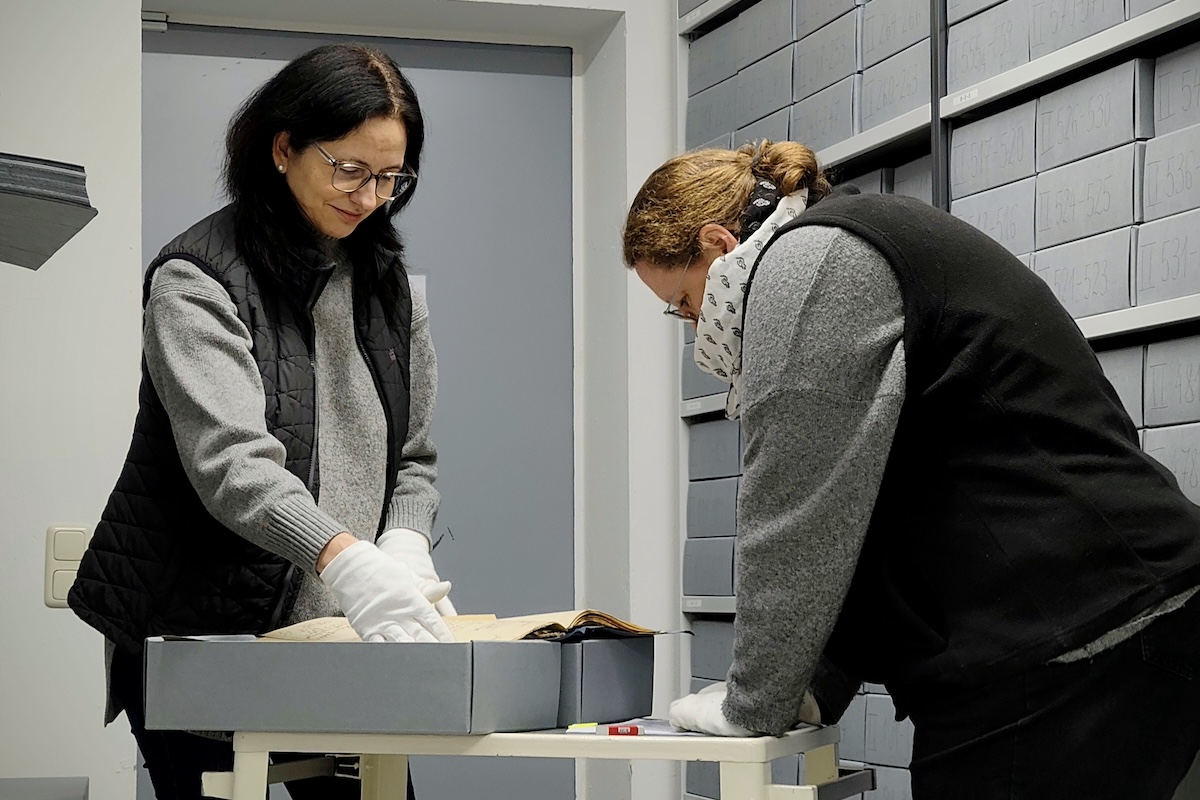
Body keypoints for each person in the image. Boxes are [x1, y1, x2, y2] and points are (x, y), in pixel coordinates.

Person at [623, 140, 1200, 799]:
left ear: (719, 244)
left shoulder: (807, 262)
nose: (694, 325)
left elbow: (795, 507)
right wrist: (817, 685)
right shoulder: (853, 241)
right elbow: (859, 511)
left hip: (1069, 641)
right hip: (1107, 619)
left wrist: (752, 703)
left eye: (685, 302)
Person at [67, 43, 456, 800]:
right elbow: (233, 465)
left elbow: (412, 454)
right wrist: (345, 559)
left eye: (391, 177)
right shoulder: (197, 280)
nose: (370, 197)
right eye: (350, 170)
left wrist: (404, 542)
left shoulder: (390, 287)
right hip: (201, 625)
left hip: (332, 630)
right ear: (283, 150)